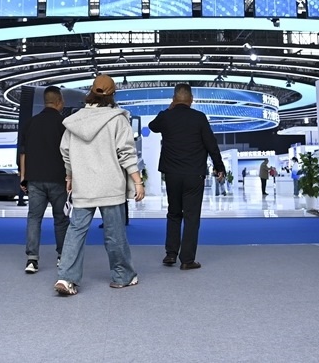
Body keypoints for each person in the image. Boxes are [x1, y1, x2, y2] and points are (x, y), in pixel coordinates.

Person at [54, 75, 145, 296]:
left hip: (83, 185)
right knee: (115, 234)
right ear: (113, 94)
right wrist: (137, 181)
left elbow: (66, 152)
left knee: (76, 231)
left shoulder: (75, 121)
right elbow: (126, 154)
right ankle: (122, 277)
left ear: (91, 92)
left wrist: (69, 177)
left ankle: (66, 277)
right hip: (110, 185)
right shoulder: (117, 119)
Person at [149, 83, 225, 270]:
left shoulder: (166, 117)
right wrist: (219, 167)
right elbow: (211, 144)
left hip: (172, 174)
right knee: (191, 216)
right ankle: (187, 260)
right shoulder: (199, 117)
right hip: (194, 174)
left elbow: (152, 126)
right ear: (191, 99)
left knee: (174, 213)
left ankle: (170, 254)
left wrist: (168, 110)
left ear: (173, 99)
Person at [18, 86, 68, 274]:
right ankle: (62, 256)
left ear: (45, 101)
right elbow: (69, 153)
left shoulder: (30, 123)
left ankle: (32, 260)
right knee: (61, 219)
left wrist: (23, 177)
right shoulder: (64, 124)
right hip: (58, 179)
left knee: (34, 218)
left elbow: (23, 152)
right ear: (59, 101)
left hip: (35, 179)